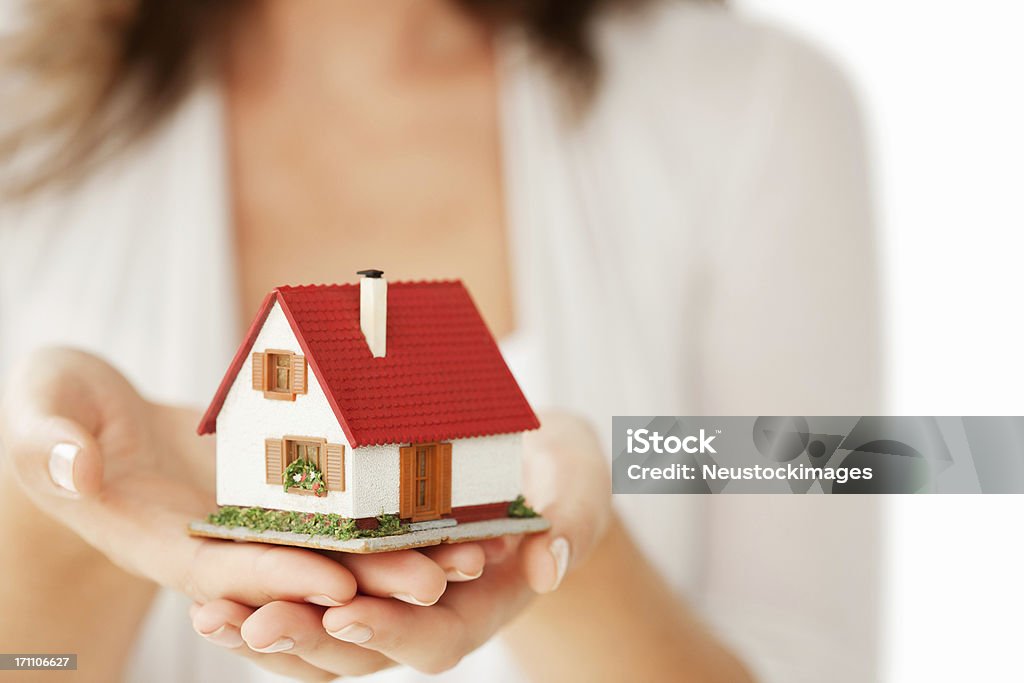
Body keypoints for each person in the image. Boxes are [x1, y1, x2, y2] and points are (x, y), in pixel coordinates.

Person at [0, 0, 881, 681]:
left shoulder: (756, 110)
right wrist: (68, 529)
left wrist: (563, 558)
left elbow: (811, 656)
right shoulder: (19, 110)